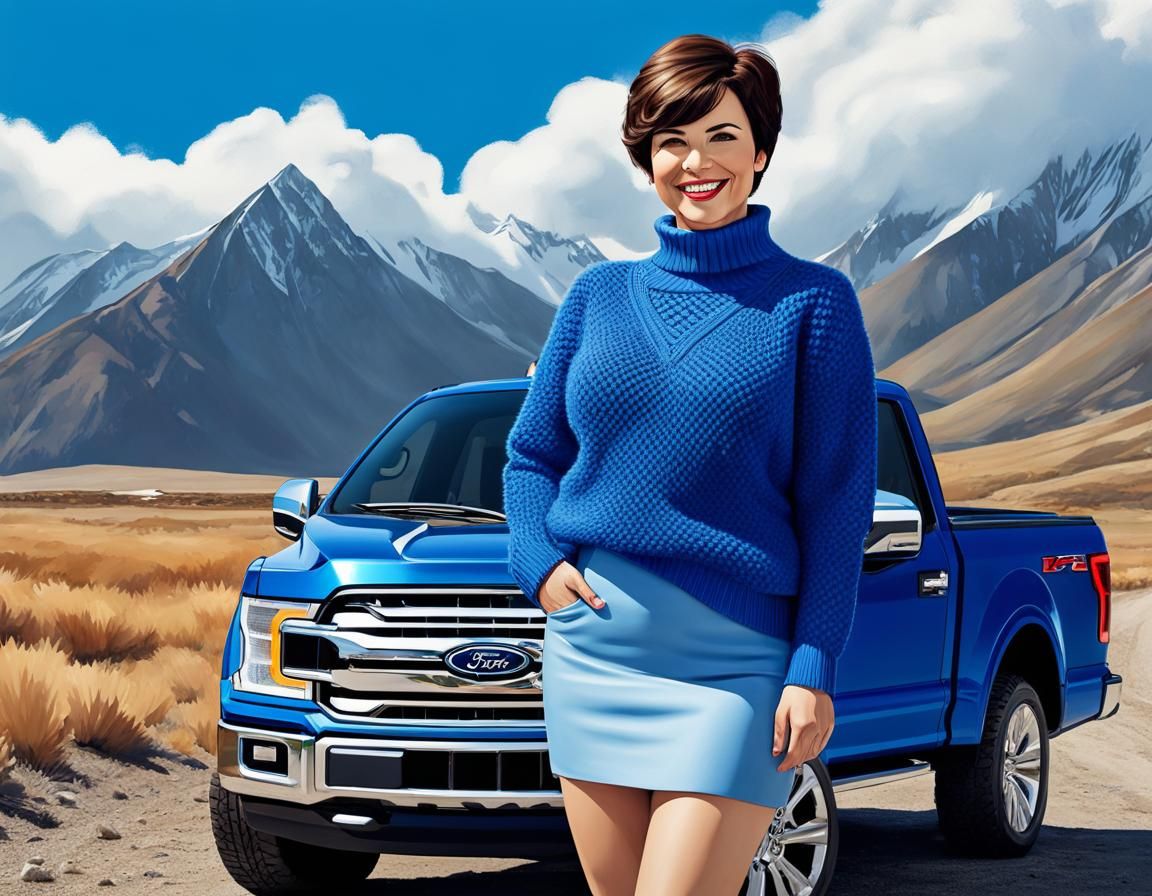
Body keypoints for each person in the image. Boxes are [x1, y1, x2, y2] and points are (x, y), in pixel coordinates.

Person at [502, 33, 878, 896]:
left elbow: (836, 502)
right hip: (593, 653)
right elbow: (532, 455)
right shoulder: (596, 296)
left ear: (763, 153)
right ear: (646, 158)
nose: (696, 161)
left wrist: (812, 666)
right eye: (672, 139)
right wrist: (539, 565)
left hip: (737, 668)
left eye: (722, 137)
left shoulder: (814, 305)